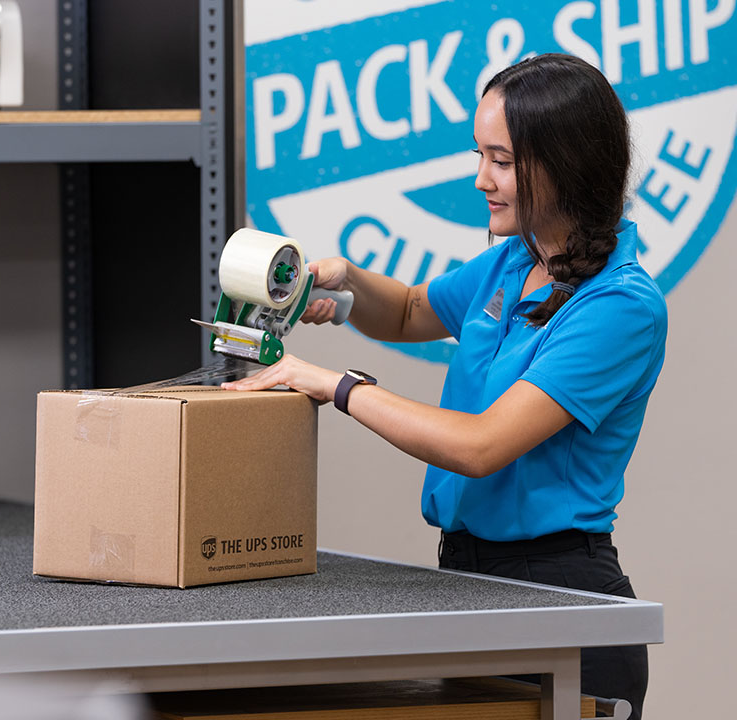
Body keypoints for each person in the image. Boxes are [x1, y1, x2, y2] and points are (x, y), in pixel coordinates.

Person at [222, 53, 665, 718]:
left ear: (565, 163)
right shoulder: (515, 261)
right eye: (479, 154)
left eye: (502, 161)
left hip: (561, 600)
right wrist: (344, 285)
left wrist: (337, 387)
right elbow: (408, 311)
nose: (481, 178)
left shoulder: (620, 306)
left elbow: (481, 447)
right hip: (466, 580)